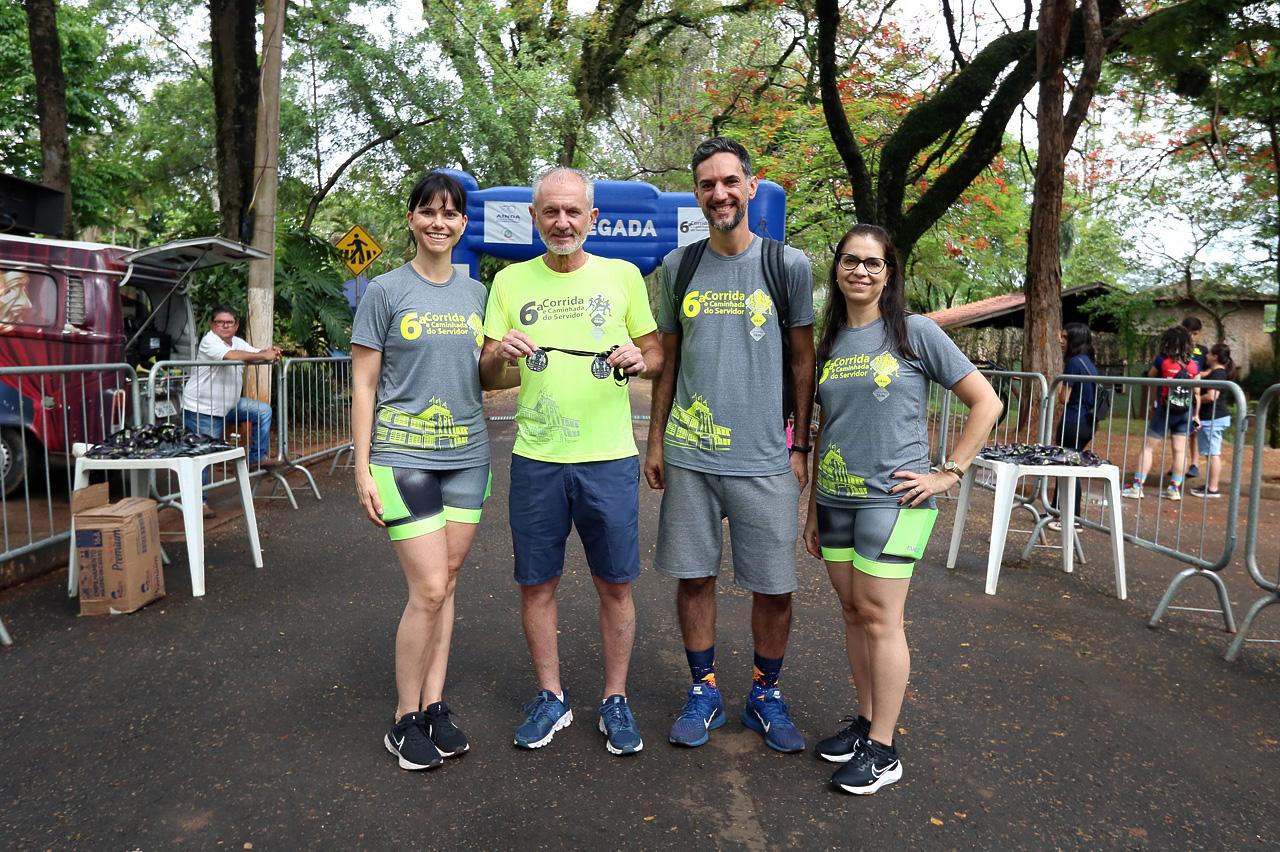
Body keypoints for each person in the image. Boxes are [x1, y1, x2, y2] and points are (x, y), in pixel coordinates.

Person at [802, 223, 1001, 794]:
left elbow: (986, 400)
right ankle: (865, 724)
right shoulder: (831, 341)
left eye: (873, 263)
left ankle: (885, 750)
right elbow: (824, 427)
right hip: (836, 497)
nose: (860, 271)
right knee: (852, 613)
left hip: (894, 498)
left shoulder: (914, 333)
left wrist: (949, 472)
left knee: (882, 617)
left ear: (889, 274)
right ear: (836, 268)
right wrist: (813, 507)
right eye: (849, 261)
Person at [478, 166, 662, 756]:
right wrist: (500, 354)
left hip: (608, 459)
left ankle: (615, 699)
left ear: (592, 218)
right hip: (536, 458)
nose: (562, 222)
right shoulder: (509, 281)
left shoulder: (624, 276)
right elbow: (488, 373)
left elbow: (655, 352)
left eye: (573, 212)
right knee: (537, 585)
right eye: (550, 212)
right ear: (534, 218)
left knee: (617, 585)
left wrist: (640, 355)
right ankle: (551, 696)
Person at [646, 136, 816, 754]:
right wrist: (656, 441)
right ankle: (705, 689)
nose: (719, 193)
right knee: (694, 576)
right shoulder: (679, 266)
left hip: (766, 454)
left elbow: (803, 361)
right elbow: (667, 360)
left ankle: (766, 696)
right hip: (691, 455)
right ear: (697, 195)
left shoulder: (786, 265)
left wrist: (800, 445)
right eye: (707, 185)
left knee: (774, 584)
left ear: (749, 186)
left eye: (728, 181)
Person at [351, 171, 490, 772]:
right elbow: (363, 382)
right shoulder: (384, 290)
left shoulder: (477, 293)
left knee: (449, 584)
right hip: (402, 457)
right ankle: (403, 718)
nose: (440, 222)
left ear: (463, 224)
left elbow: (488, 375)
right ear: (411, 218)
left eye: (451, 213)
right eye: (428, 211)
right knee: (428, 588)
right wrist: (361, 468)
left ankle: (435, 705)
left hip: (468, 456)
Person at [181, 306, 282, 506]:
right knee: (203, 456)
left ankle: (257, 458)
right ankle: (198, 503)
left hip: (228, 405)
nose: (224, 326)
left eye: (229, 322)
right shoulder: (210, 341)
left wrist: (271, 352)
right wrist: (263, 355)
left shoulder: (237, 342)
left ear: (236, 326)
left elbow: (255, 352)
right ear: (213, 325)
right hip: (203, 409)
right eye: (220, 322)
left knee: (262, 411)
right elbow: (233, 356)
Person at [1121, 325, 1200, 501]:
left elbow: (1150, 377)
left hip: (1165, 410)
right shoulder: (1194, 365)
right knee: (1180, 451)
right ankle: (1174, 489)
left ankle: (1137, 486)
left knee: (1148, 447)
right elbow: (1197, 392)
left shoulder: (1162, 361)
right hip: (1186, 411)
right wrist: (1197, 415)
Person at [1048, 322, 1099, 532]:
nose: (1061, 341)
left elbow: (1063, 398)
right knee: (1066, 465)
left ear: (1075, 341)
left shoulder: (1074, 363)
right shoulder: (1089, 363)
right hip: (1087, 423)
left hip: (1073, 422)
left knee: (1069, 468)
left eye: (1065, 337)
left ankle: (1073, 518)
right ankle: (1057, 510)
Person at [1190, 342, 1237, 499]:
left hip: (1214, 417)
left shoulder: (1218, 373)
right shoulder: (1216, 372)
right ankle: (1211, 485)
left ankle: (1213, 488)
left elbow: (1212, 396)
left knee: (1213, 454)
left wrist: (1196, 400)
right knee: (1211, 453)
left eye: (1209, 353)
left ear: (1215, 357)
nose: (1206, 356)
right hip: (1213, 417)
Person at [1181, 316, 1208, 478]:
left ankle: (1194, 464)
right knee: (1179, 432)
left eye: (1195, 334)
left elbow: (1208, 371)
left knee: (1194, 431)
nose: (1192, 337)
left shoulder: (1204, 351)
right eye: (1189, 333)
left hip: (1196, 397)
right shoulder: (1176, 349)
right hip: (1178, 395)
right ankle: (1179, 464)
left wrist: (1197, 375)